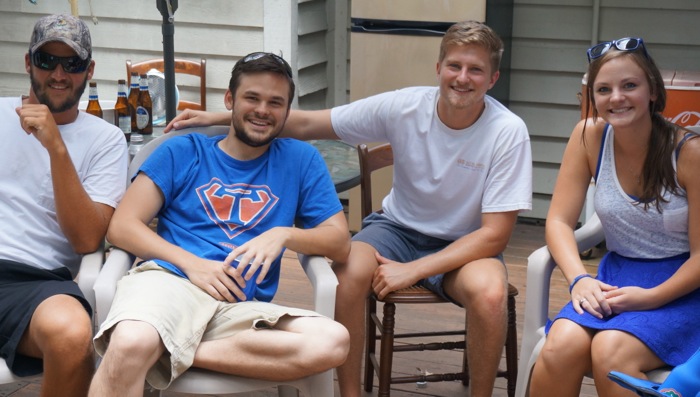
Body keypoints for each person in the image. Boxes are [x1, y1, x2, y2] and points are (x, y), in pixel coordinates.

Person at [164, 20, 532, 397]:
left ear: (492, 79)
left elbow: (494, 235)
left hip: (466, 244)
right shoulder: (404, 106)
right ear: (439, 68)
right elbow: (309, 123)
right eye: (454, 65)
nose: (462, 77)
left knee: (490, 294)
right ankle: (349, 394)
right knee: (349, 271)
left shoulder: (507, 131)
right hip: (397, 229)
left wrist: (413, 271)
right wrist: (221, 117)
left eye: (476, 70)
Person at [88, 52, 351, 396]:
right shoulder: (183, 151)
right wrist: (193, 265)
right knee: (132, 342)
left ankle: (170, 349)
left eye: (275, 102)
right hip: (170, 285)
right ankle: (149, 349)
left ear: (287, 111)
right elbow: (121, 227)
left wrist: (284, 234)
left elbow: (339, 241)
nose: (262, 110)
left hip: (239, 307)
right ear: (230, 101)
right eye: (252, 98)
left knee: (332, 343)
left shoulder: (301, 161)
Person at [529, 37, 700, 396]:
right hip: (617, 277)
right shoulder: (588, 137)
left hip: (683, 287)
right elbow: (559, 221)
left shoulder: (689, 153)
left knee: (610, 350)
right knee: (560, 346)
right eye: (603, 89)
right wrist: (578, 279)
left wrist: (651, 297)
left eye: (629, 86)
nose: (616, 98)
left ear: (652, 90)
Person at [0, 14, 128, 397]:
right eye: (46, 61)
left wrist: (56, 147)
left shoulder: (105, 140)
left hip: (33, 283)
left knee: (73, 335)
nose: (59, 74)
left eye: (71, 64)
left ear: (88, 71)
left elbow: (88, 239)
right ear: (28, 63)